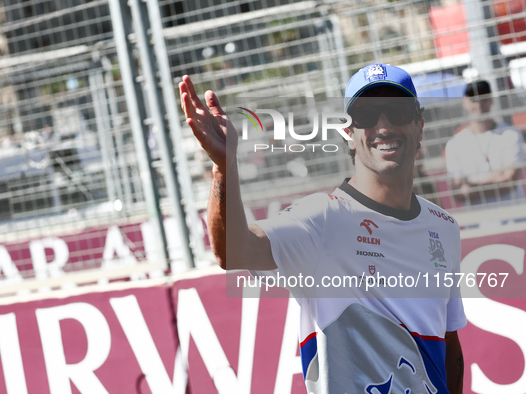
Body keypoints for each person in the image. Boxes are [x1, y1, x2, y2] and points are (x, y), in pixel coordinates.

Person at [180, 63, 465, 393]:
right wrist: (223, 168)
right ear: (349, 133)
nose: (383, 127)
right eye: (367, 116)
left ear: (419, 125)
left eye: (398, 112)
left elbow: (448, 345)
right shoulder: (322, 218)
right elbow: (233, 251)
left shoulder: (443, 227)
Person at [445, 80, 525, 206]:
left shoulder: (510, 134)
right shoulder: (454, 144)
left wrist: (471, 186)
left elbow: (509, 182)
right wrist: (496, 177)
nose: (479, 103)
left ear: (491, 100)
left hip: (514, 220)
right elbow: (457, 191)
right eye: (473, 98)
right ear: (464, 102)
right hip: (479, 223)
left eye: (483, 97)